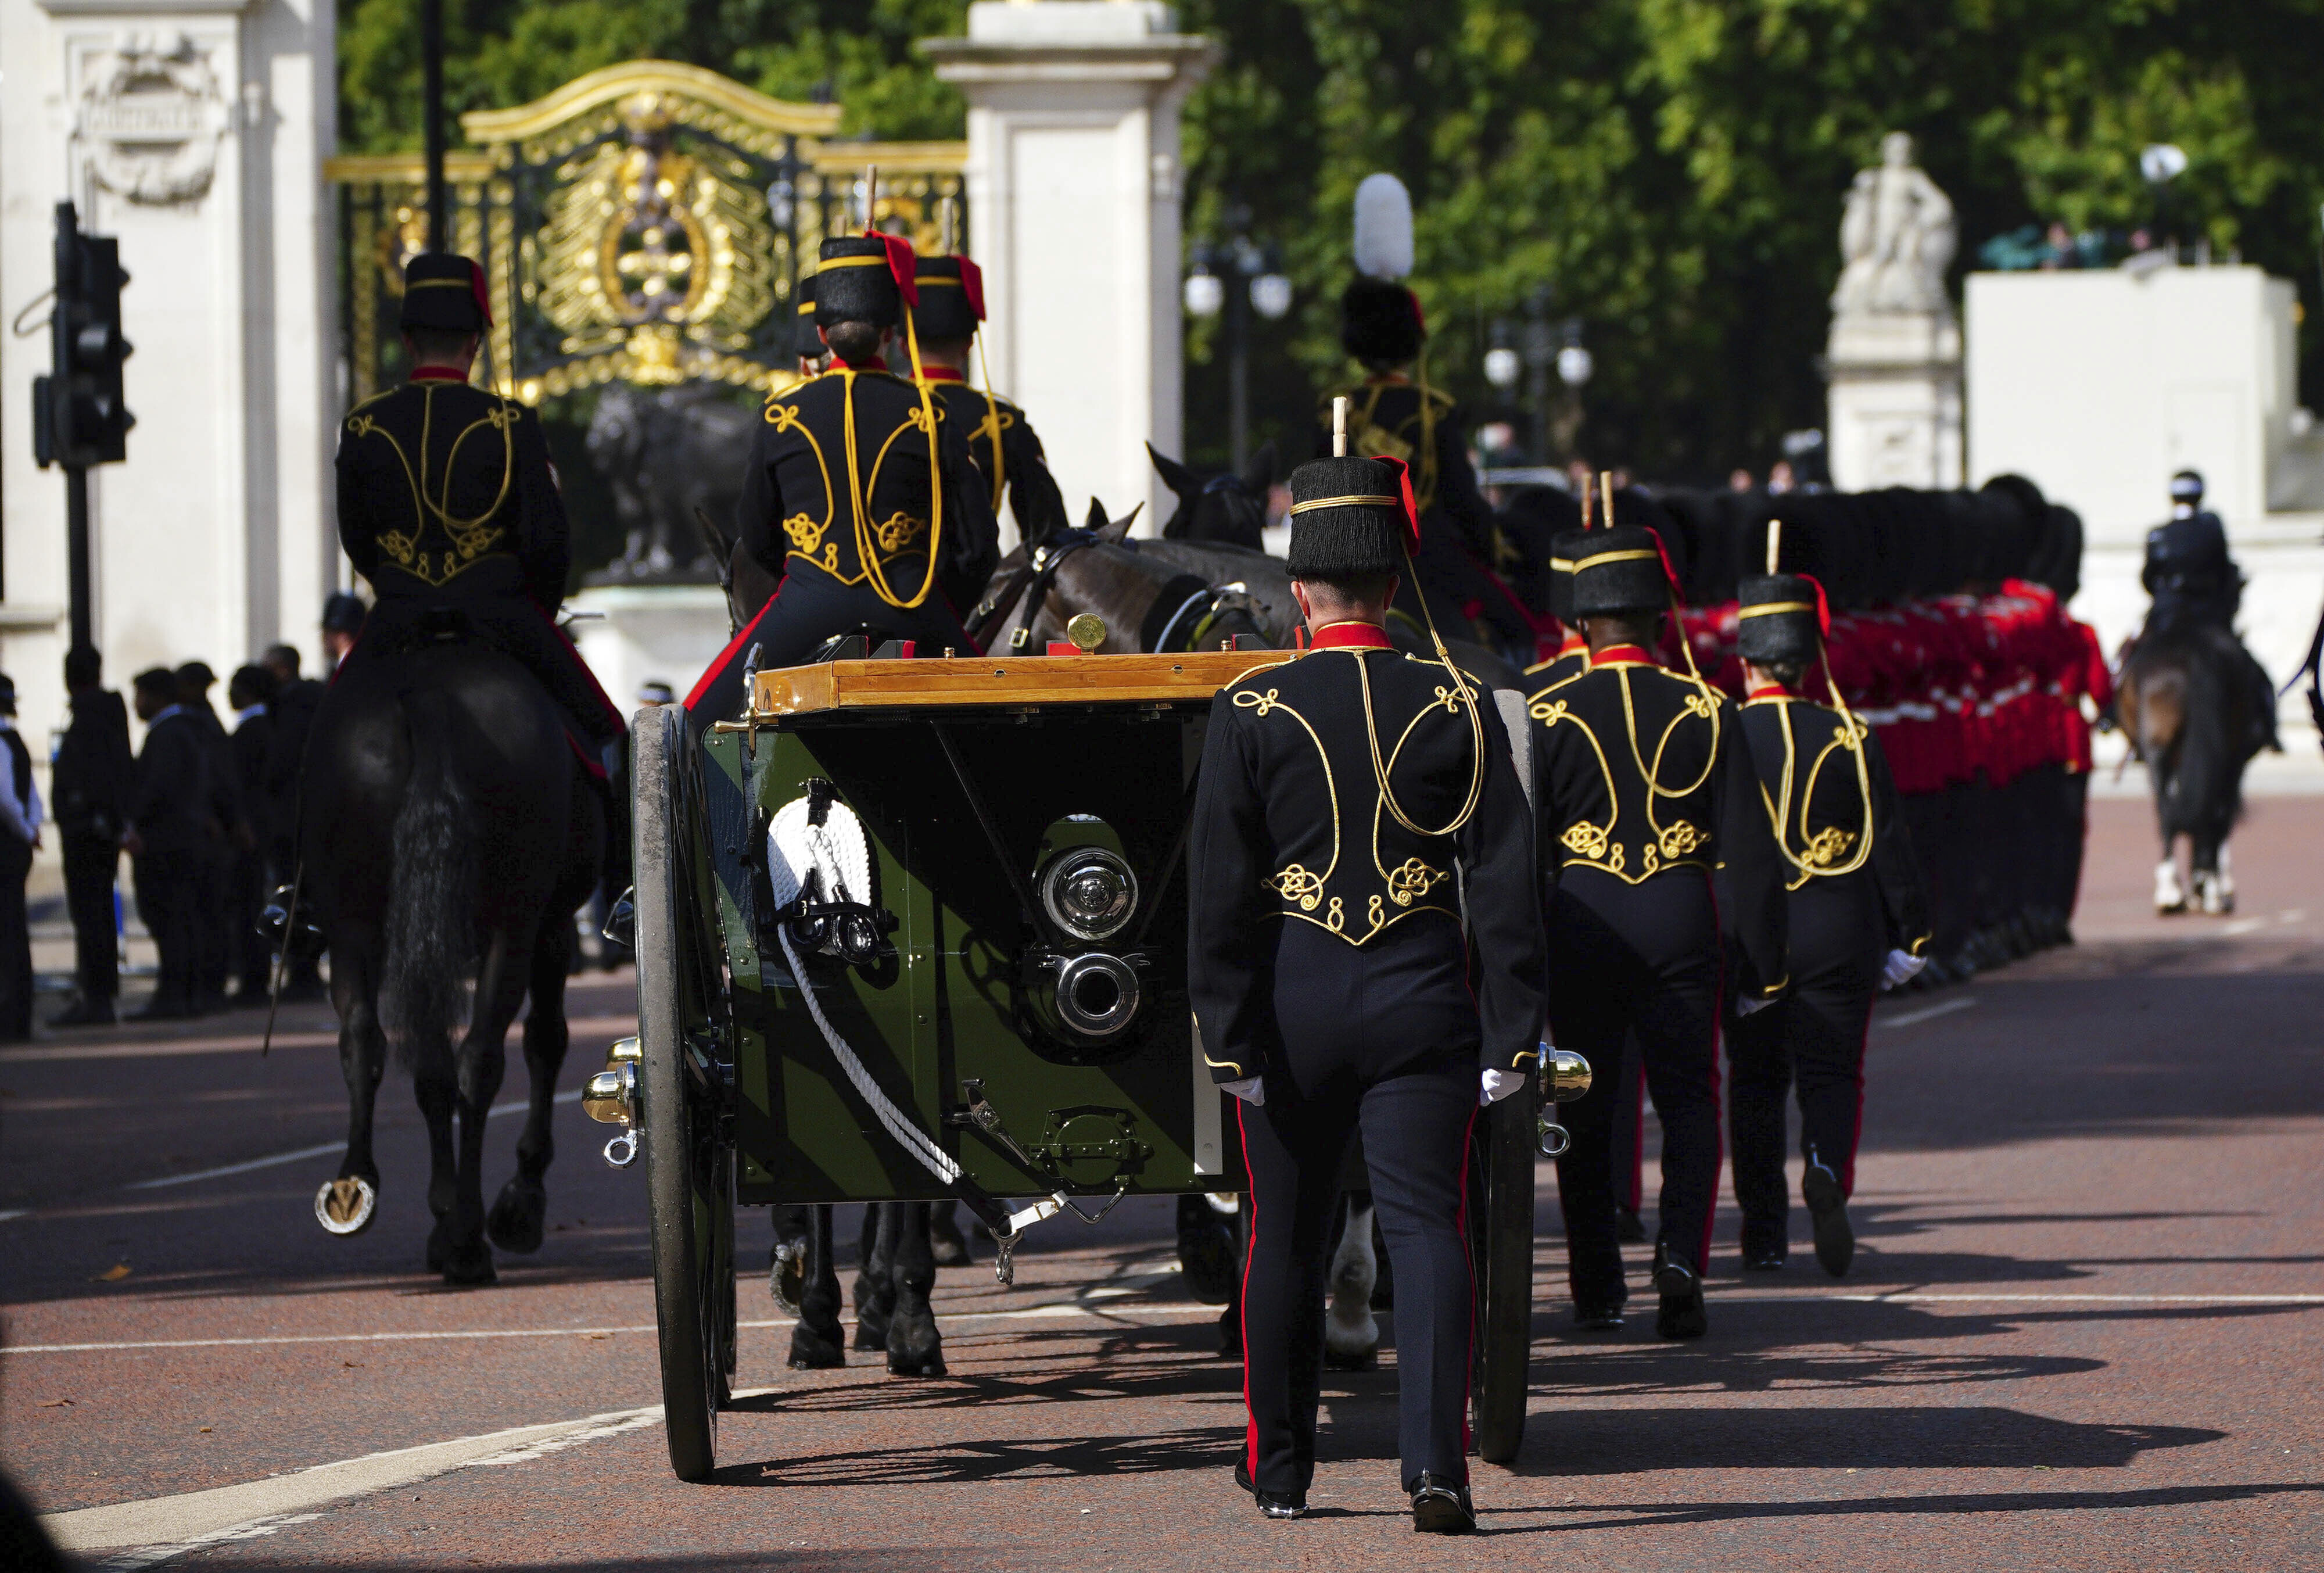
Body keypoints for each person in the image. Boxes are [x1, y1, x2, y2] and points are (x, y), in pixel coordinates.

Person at [1189, 453, 1545, 1532]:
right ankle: (1437, 1470)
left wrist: (1225, 1033)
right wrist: (1512, 1030)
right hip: (1422, 996)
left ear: (1299, 591)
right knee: (1428, 1231)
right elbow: (1504, 881)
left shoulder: (1250, 704)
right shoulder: (1460, 700)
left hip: (1295, 1003)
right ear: (1396, 585)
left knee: (1283, 1239)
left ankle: (1283, 1468)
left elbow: (1219, 892)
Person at [1530, 523, 1787, 1338]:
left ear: (1582, 625)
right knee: (1689, 1100)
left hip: (1583, 915)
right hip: (1681, 914)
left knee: (1586, 1101)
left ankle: (1597, 1281)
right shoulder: (1710, 707)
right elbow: (1750, 855)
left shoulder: (1545, 710)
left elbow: (1527, 850)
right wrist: (1760, 967)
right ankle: (1681, 1256)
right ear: (1660, 619)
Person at [688, 234, 1001, 728]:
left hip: (807, 603)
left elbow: (757, 536)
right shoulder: (928, 410)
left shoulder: (782, 413)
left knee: (692, 720)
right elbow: (980, 548)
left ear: (819, 330)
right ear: (889, 333)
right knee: (1010, 714)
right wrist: (938, 602)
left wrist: (805, 580)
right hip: (912, 606)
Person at [332, 252, 625, 769]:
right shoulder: (511, 423)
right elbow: (548, 546)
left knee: (321, 742)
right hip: (500, 615)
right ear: (474, 342)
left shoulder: (363, 426)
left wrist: (402, 583)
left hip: (398, 615)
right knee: (608, 734)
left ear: (406, 342)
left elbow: (356, 538)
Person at [1726, 571, 1931, 1277]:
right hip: (1839, 924)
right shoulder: (1849, 732)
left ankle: (1762, 1232)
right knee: (1833, 1073)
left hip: (1756, 935)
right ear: (1808, 660)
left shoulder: (1724, 725)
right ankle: (1823, 1168)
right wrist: (1912, 933)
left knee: (1755, 1082)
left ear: (1746, 661)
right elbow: (1889, 843)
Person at [1317, 175, 1533, 656]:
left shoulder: (1332, 409)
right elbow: (1460, 499)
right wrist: (1494, 548)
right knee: (1519, 632)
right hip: (1425, 559)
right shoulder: (1433, 410)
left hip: (1341, 564)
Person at [907, 252, 1068, 546]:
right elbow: (1046, 531)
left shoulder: (877, 407)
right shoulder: (1004, 421)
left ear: (903, 344)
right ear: (969, 344)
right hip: (975, 585)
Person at [2141, 469, 2277, 755]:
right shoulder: (2212, 531)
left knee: (2127, 661)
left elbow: (2148, 579)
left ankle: (2113, 714)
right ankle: (2267, 723)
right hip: (2207, 616)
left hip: (2166, 615)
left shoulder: (2158, 535)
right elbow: (2225, 573)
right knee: (2253, 672)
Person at [48, 646, 133, 1027]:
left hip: (87, 832)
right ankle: (99, 993)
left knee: (91, 916)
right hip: (97, 829)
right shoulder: (106, 716)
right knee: (97, 915)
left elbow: (94, 778)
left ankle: (96, 996)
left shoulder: (89, 721)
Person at [125, 668, 210, 1020]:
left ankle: (174, 994)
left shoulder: (167, 734)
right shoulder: (189, 730)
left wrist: (134, 821)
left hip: (166, 842)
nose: (137, 704)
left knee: (168, 919)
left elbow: (159, 787)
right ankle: (186, 993)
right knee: (182, 918)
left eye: (141, 696)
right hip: (185, 839)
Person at [258, 639, 326, 1001]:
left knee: (296, 895)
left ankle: (303, 969)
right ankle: (304, 968)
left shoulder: (294, 707)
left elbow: (281, 762)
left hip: (293, 818)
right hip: (306, 815)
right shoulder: (311, 702)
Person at [176, 661, 243, 1012]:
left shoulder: (197, 725)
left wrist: (223, 819)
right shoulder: (206, 723)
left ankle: (208, 985)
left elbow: (218, 779)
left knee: (207, 913)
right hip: (211, 826)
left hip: (206, 830)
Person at [226, 664, 279, 999]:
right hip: (262, 827)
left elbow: (240, 783)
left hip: (251, 831)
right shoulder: (267, 726)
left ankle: (254, 979)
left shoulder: (251, 730)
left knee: (250, 904)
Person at [0, 676, 41, 1041]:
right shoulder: (15, 741)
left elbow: (6, 800)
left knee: (8, 935)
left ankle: (11, 1018)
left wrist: (25, 830)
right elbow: (31, 797)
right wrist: (32, 829)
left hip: (6, 843)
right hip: (17, 844)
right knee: (14, 931)